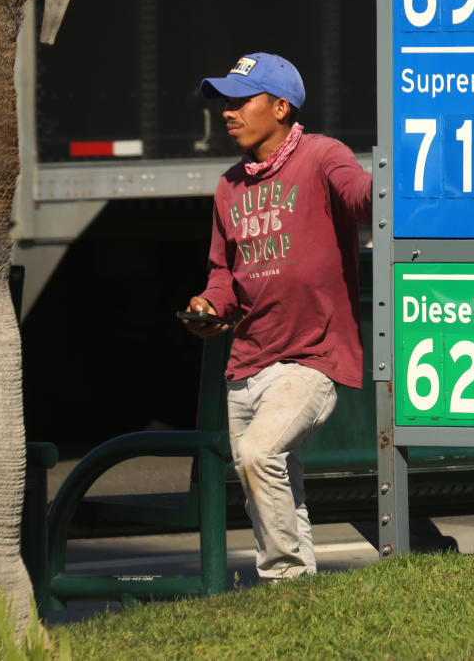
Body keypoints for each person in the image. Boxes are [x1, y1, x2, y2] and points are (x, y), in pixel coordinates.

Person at [183, 52, 371, 581]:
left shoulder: (321, 156)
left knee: (258, 456)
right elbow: (224, 275)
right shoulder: (229, 187)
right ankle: (302, 595)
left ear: (281, 106)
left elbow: (358, 195)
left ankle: (283, 578)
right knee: (277, 482)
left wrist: (392, 187)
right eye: (225, 102)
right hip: (246, 367)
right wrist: (209, 307)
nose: (228, 112)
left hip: (309, 359)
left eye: (241, 101)